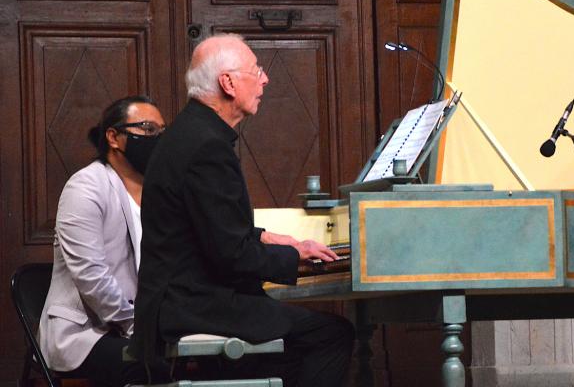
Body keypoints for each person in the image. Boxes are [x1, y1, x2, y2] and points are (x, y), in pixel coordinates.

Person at [129, 33, 353, 386]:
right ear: (228, 82)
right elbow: (230, 256)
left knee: (295, 341)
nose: (265, 79)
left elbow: (207, 229)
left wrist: (272, 239)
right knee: (331, 334)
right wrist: (294, 259)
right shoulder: (206, 147)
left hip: (178, 301)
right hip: (195, 305)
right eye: (256, 70)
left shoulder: (190, 134)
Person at [39, 96, 166, 387]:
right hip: (85, 333)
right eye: (148, 129)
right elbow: (91, 276)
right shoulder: (85, 187)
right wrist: (140, 327)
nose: (158, 139)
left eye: (162, 131)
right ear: (113, 137)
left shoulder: (160, 193)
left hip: (142, 326)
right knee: (151, 365)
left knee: (213, 357)